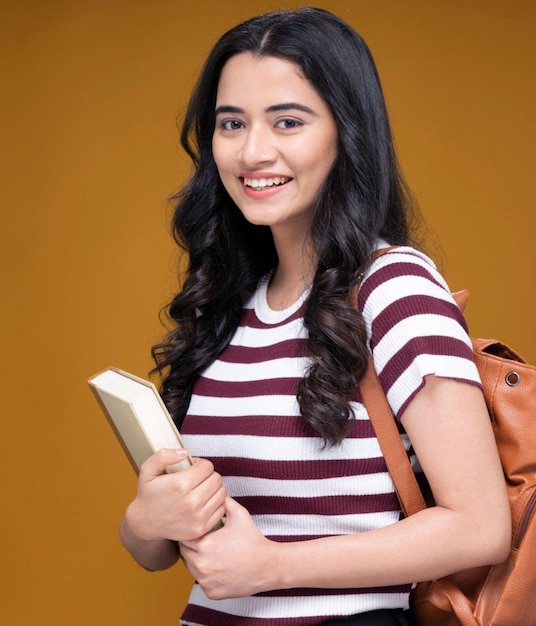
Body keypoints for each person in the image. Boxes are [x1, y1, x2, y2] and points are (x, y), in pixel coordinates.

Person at [119, 7, 511, 626]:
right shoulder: (231, 299)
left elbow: (482, 527)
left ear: (345, 133)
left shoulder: (393, 287)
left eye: (288, 121)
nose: (252, 151)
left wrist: (274, 567)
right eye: (231, 123)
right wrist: (145, 522)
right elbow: (163, 552)